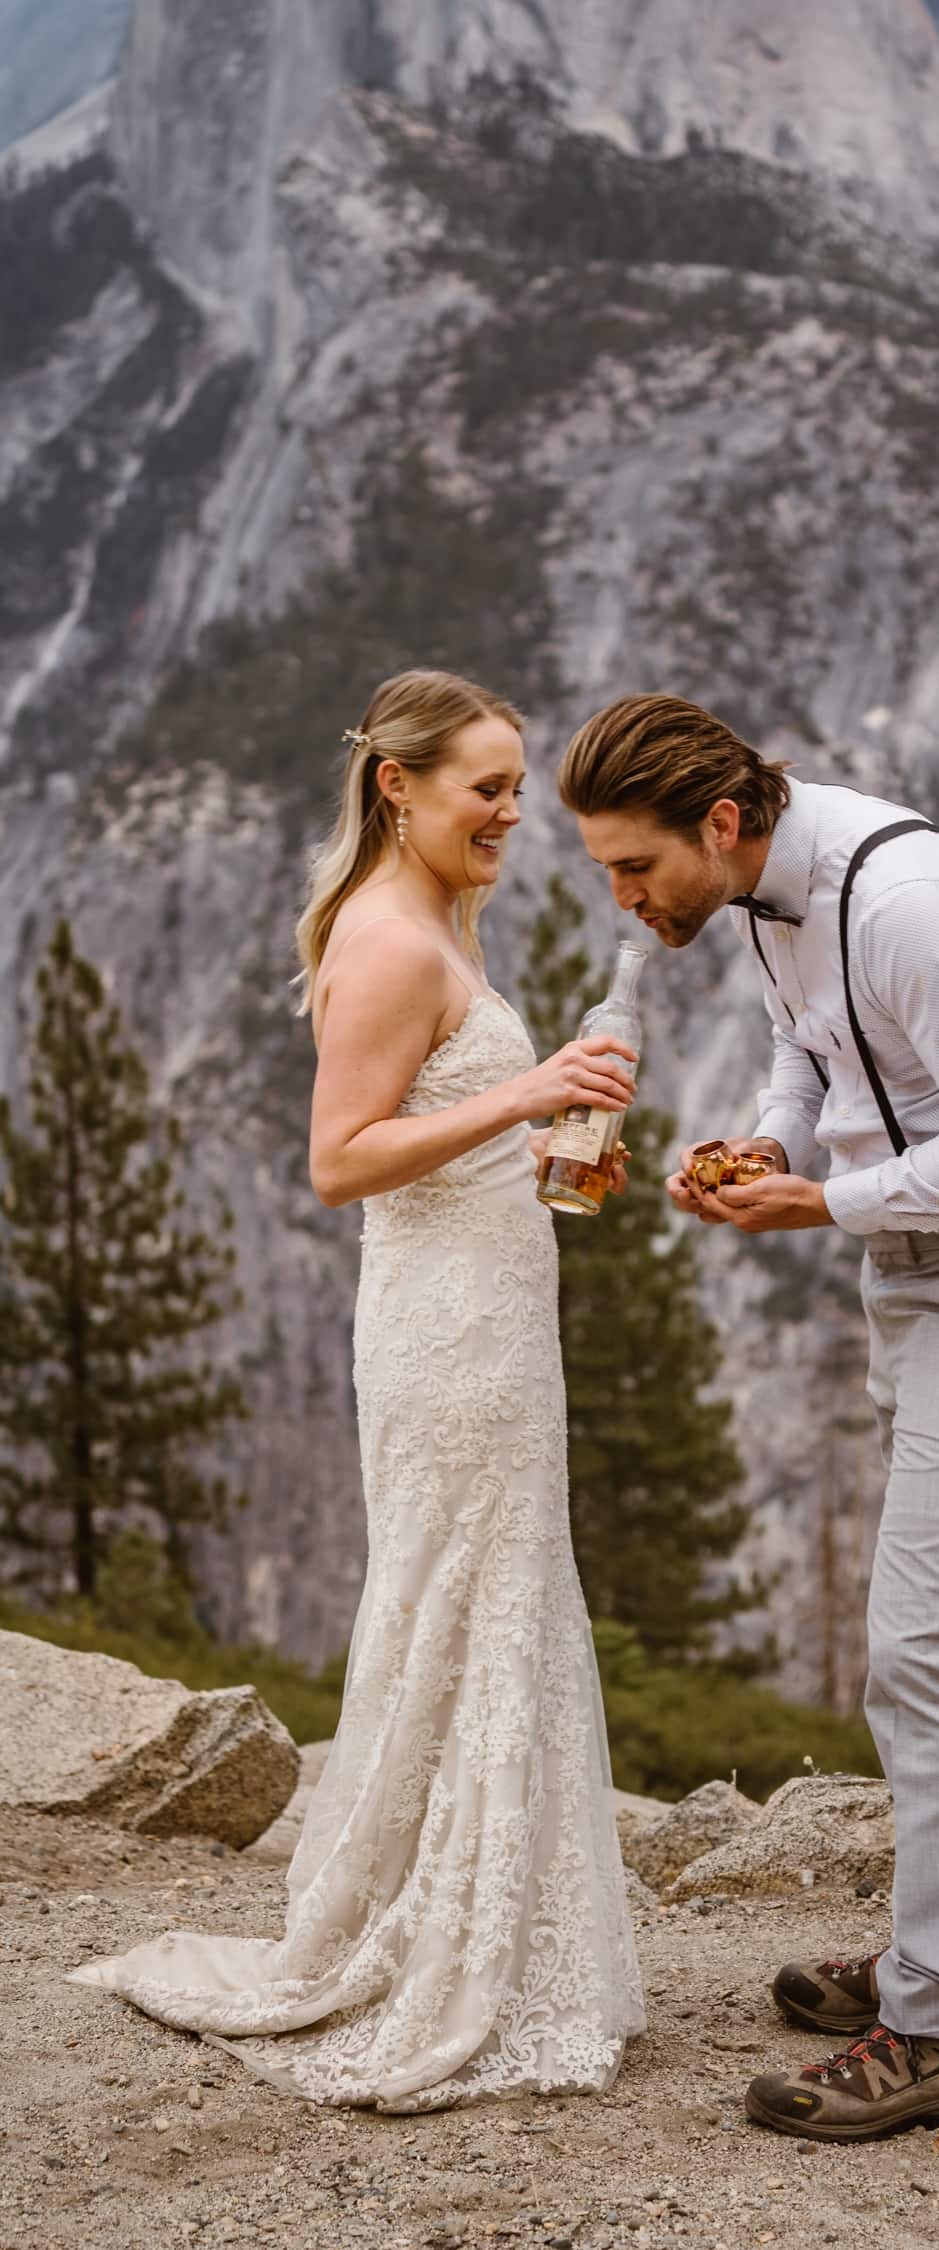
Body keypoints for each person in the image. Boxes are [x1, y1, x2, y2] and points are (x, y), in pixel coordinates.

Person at [69, 669, 646, 2111]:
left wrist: (528, 1152)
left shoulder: (437, 914)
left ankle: (493, 1933)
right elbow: (339, 1161)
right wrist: (523, 1096)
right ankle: (428, 1939)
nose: (514, 814)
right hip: (447, 1337)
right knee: (461, 1592)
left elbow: (425, 1140)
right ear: (401, 784)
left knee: (494, 1592)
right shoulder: (393, 937)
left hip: (490, 1309)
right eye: (489, 788)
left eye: (517, 788)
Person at [559, 692, 939, 2143]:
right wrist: (768, 1136)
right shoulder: (766, 892)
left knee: (927, 1648)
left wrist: (821, 1199)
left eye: (633, 867)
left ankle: (937, 2031)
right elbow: (818, 1056)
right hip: (918, 1280)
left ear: (721, 820)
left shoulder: (907, 901)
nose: (623, 900)